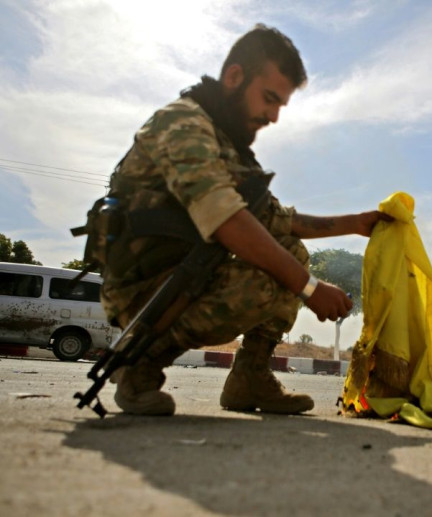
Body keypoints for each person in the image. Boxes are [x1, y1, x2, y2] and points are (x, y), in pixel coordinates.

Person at [99, 24, 389, 416]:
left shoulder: (228, 145)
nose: (272, 116)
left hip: (184, 275)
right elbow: (227, 221)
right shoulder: (183, 123)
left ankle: (250, 377)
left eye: (280, 106)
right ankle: (140, 362)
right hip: (145, 290)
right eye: (269, 99)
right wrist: (309, 288)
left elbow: (277, 220)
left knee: (290, 251)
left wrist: (357, 223)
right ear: (234, 77)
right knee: (268, 281)